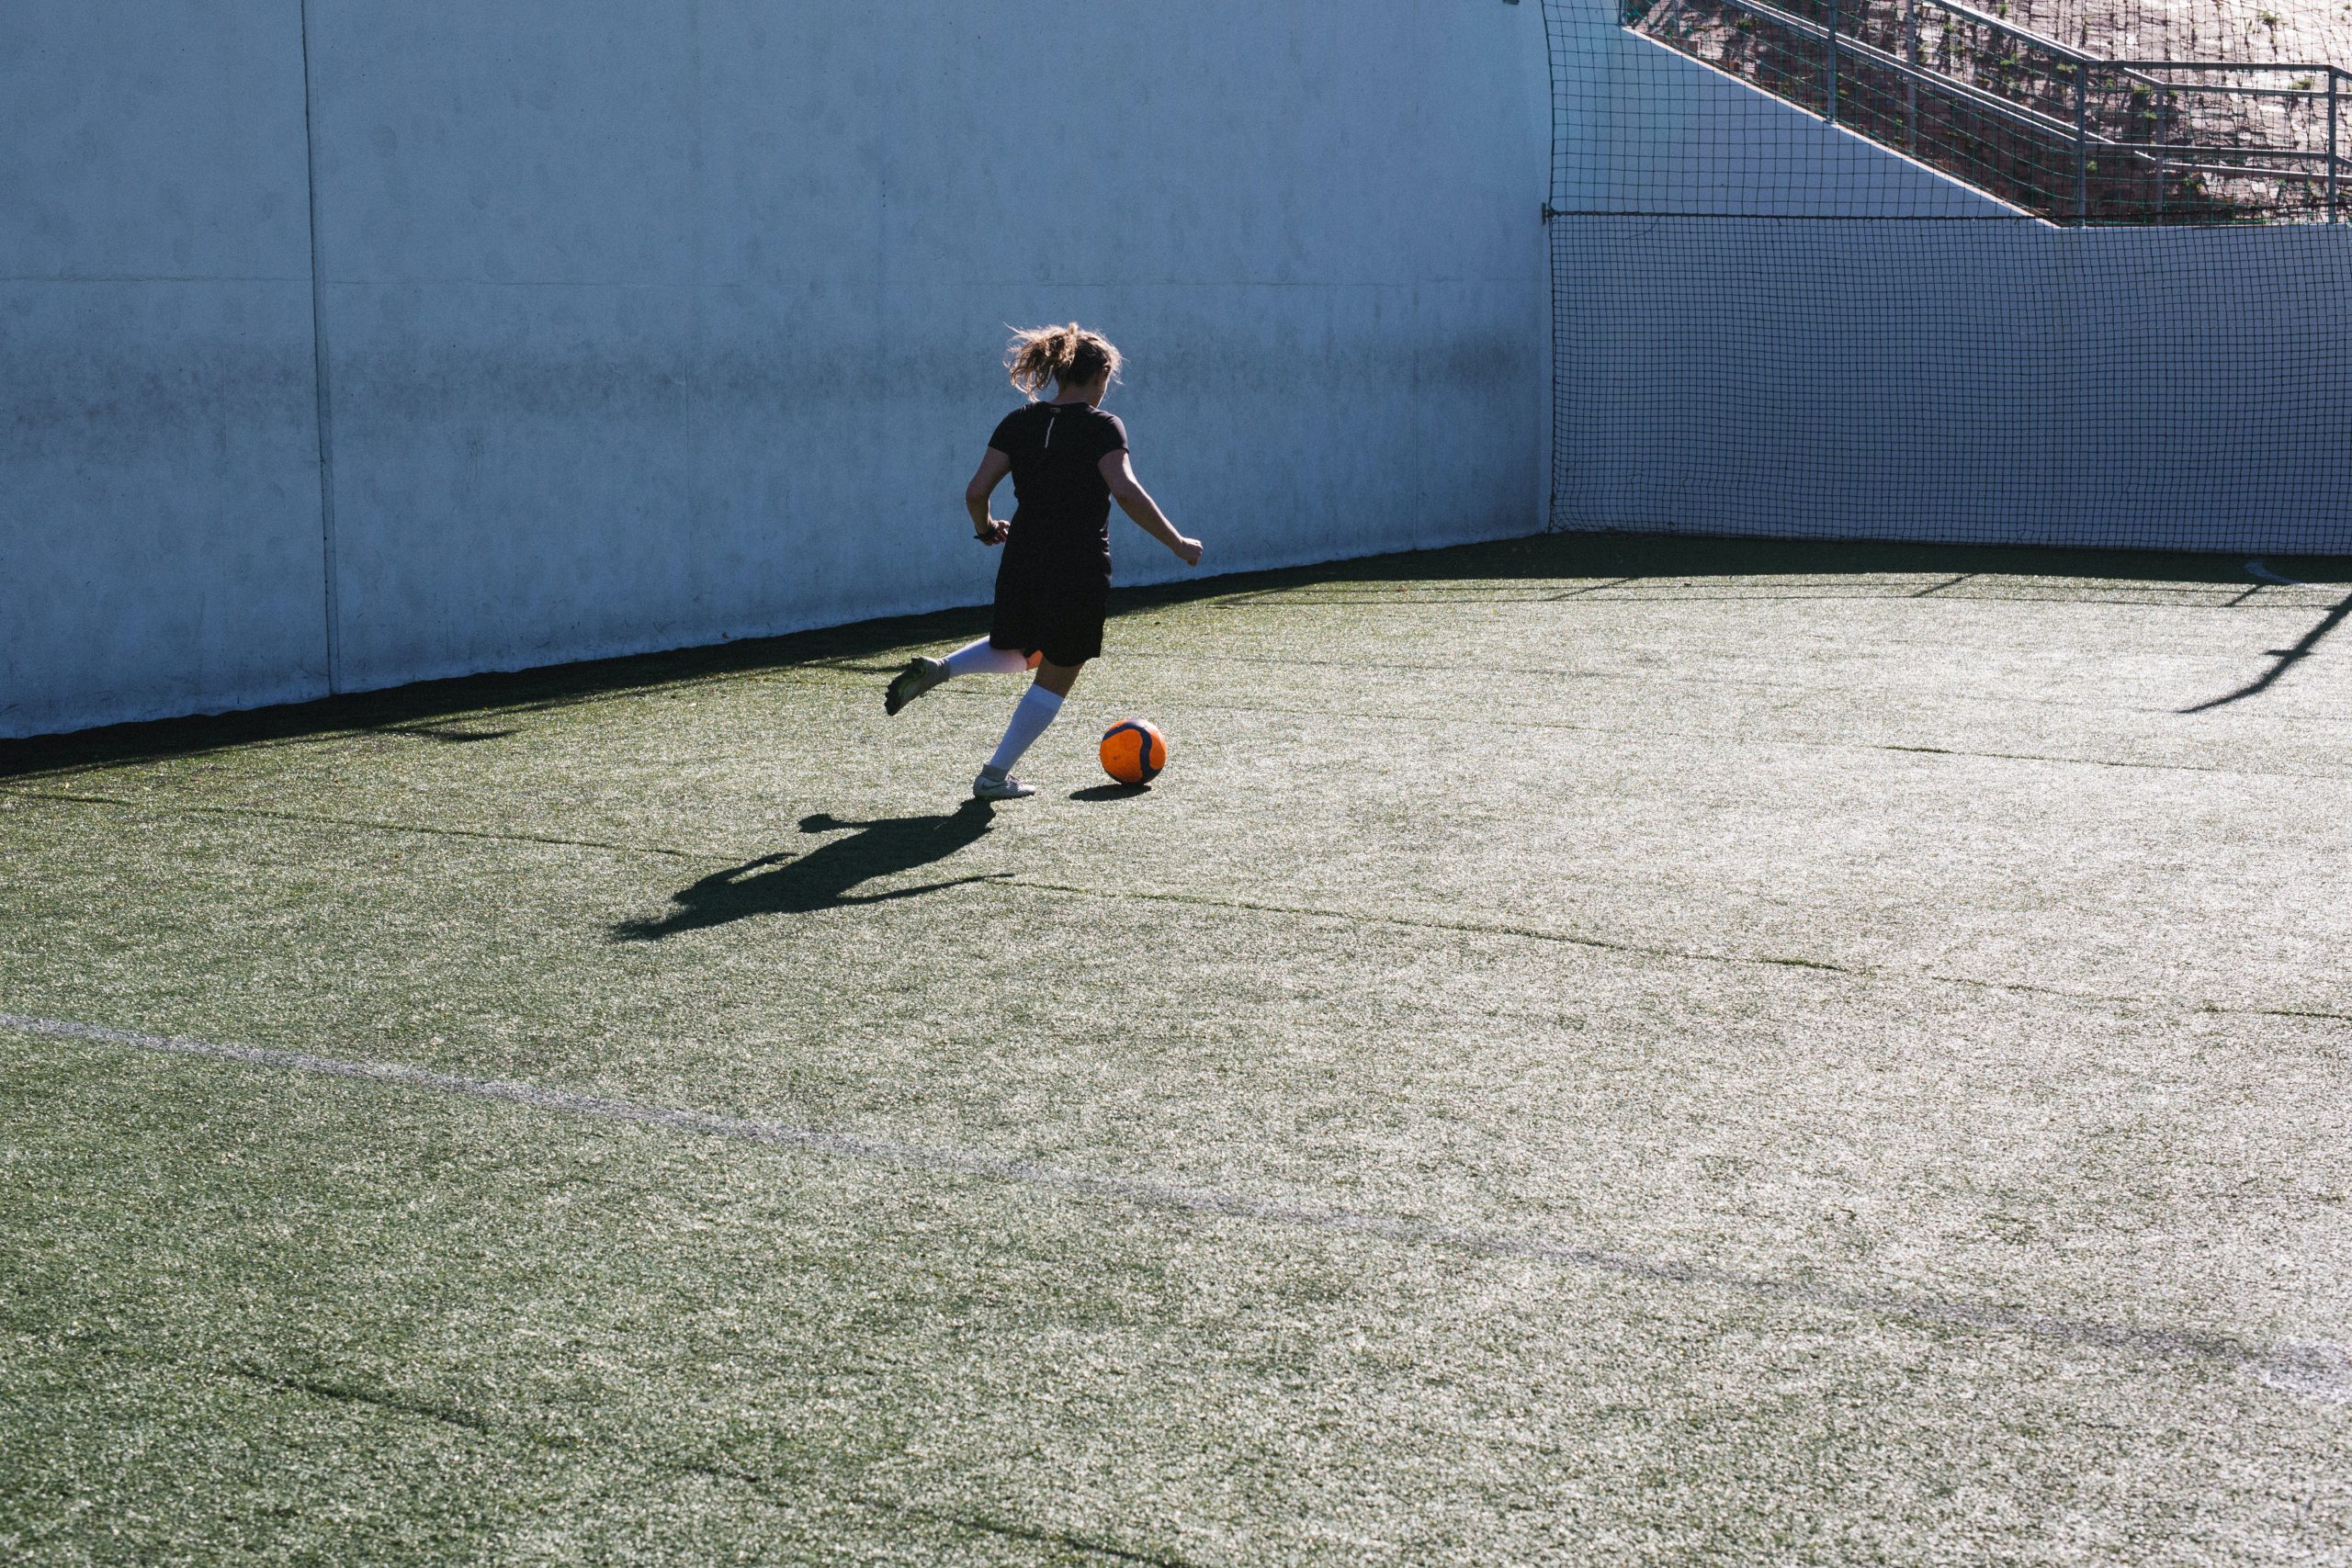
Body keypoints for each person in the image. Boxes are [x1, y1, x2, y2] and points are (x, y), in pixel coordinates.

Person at [885, 323, 1204, 800]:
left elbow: (975, 492)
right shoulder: (1103, 426)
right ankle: (994, 776)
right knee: (1056, 671)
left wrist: (987, 528)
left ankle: (941, 670)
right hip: (1078, 564)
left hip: (1024, 555)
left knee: (1021, 651)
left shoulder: (1019, 422)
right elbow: (1125, 489)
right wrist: (1177, 542)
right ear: (1099, 375)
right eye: (1106, 380)